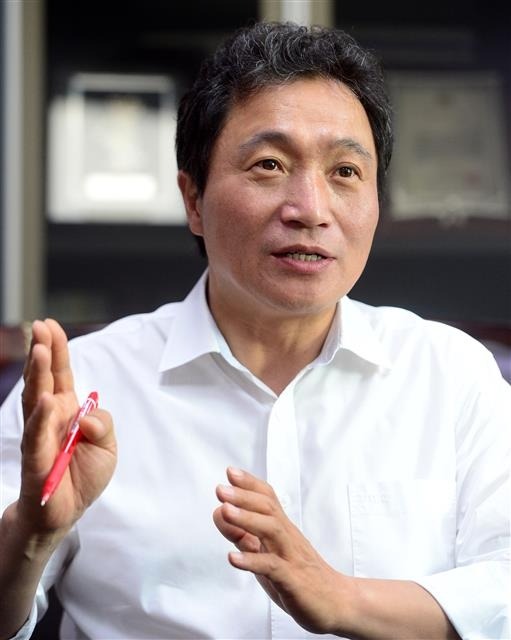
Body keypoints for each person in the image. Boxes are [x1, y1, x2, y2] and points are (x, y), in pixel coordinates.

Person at [0, 21, 509, 640]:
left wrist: (342, 600)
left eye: (345, 172)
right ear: (193, 200)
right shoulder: (86, 386)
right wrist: (31, 536)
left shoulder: (453, 375)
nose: (310, 209)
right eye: (269, 165)